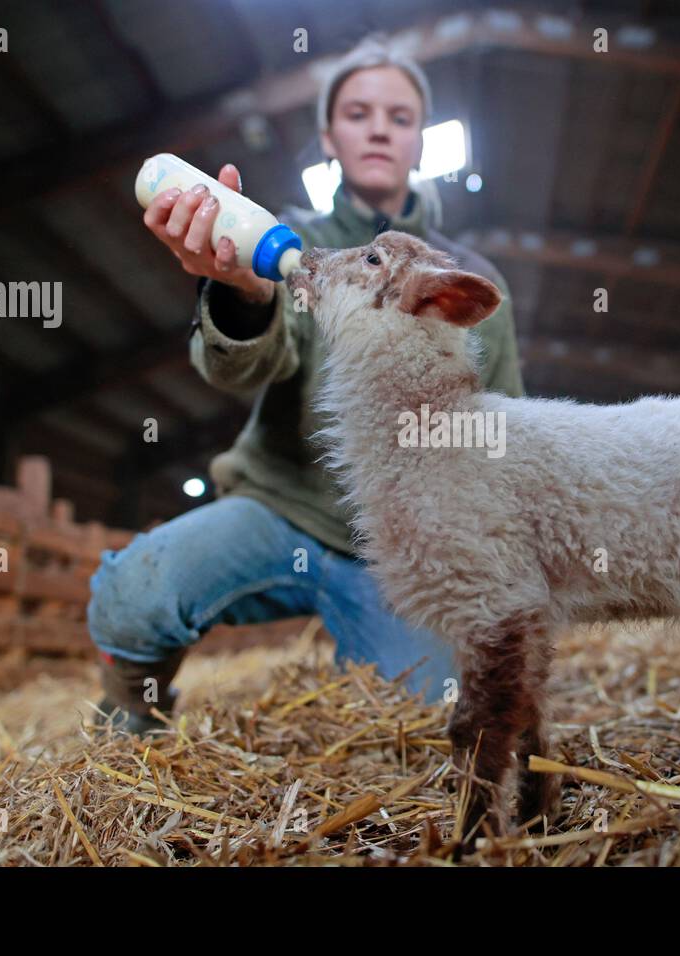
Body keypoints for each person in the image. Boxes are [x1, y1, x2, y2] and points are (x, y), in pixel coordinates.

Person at [87, 36, 525, 733]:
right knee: (134, 595)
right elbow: (240, 367)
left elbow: (499, 426)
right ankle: (131, 714)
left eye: (399, 116)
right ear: (329, 136)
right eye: (358, 112)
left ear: (420, 138)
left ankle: (380, 647)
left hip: (392, 548)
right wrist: (238, 289)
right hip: (281, 505)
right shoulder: (287, 247)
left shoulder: (471, 285)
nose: (379, 126)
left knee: (422, 713)